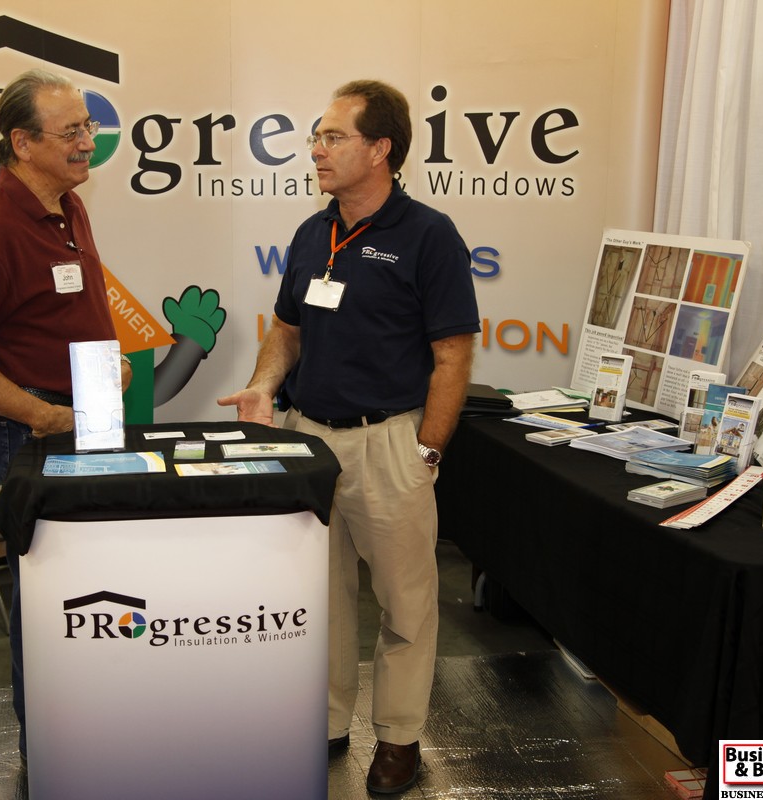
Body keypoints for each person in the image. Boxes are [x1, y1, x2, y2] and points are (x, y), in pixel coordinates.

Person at [218, 80, 479, 794]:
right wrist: (265, 384)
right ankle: (329, 721)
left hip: (388, 444)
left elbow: (454, 356)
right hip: (308, 440)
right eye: (317, 137)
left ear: (381, 149)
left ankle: (398, 738)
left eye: (334, 137)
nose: (317, 150)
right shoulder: (314, 233)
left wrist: (427, 449)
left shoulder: (428, 235)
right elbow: (288, 329)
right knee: (320, 595)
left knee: (405, 603)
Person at [0, 68, 128, 767]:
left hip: (90, 426)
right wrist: (42, 414)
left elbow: (62, 311)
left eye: (88, 127)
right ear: (21, 141)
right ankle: (49, 758)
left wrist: (110, 364)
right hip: (34, 440)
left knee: (99, 596)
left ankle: (101, 736)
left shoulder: (67, 205)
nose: (88, 142)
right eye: (72, 131)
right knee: (51, 604)